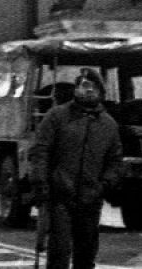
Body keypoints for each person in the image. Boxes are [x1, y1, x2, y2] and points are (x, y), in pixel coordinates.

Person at [28, 68, 123, 269]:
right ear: (76, 89)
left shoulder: (109, 125)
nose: (87, 91)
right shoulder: (57, 116)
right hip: (60, 197)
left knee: (86, 255)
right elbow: (40, 151)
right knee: (59, 252)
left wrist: (104, 185)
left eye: (92, 87)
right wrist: (40, 183)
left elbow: (115, 161)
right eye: (83, 86)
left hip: (90, 199)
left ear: (100, 92)